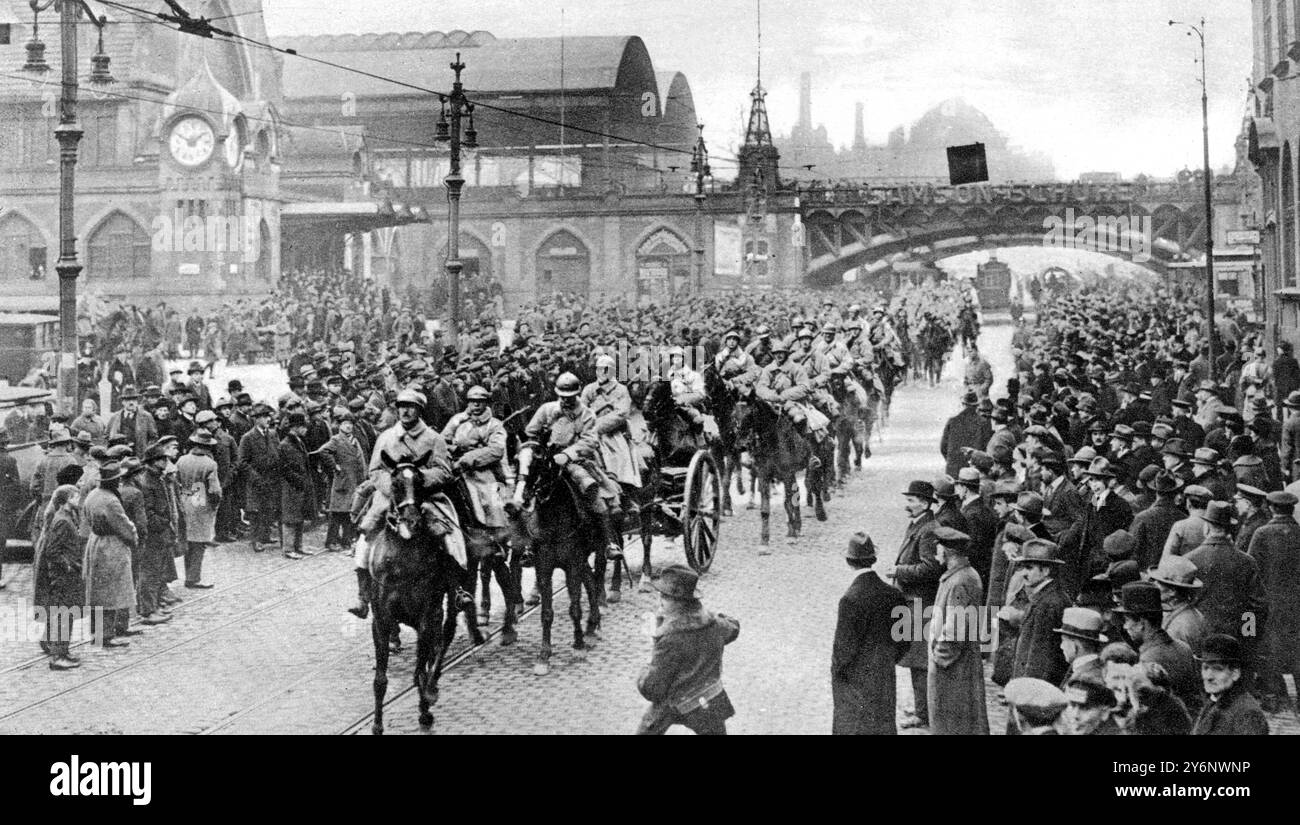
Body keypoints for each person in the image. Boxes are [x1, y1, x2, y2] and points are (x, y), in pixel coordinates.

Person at [514, 373, 624, 561]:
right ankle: (528, 545)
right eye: (562, 396)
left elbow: (589, 441)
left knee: (591, 489)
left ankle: (608, 542)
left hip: (576, 460)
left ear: (577, 394)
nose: (565, 400)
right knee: (527, 490)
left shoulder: (586, 413)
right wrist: (536, 447)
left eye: (570, 396)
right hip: (546, 458)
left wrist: (567, 454)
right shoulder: (547, 409)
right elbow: (530, 432)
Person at [636, 563, 740, 735]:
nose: (660, 600)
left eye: (664, 596)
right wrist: (711, 616)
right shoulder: (714, 624)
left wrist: (644, 671)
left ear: (678, 601)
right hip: (709, 697)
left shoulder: (670, 639)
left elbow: (653, 687)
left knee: (647, 729)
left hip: (675, 702)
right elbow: (733, 628)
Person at [831, 532, 908, 735]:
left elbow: (843, 650)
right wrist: (888, 658)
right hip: (884, 674)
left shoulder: (850, 599)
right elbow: (904, 638)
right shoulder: (894, 594)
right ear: (873, 559)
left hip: (855, 679)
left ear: (849, 561)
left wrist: (838, 673)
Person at [927, 526, 988, 735]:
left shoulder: (959, 581)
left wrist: (939, 658)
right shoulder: (962, 575)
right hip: (960, 662)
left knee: (953, 722)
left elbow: (954, 630)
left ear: (946, 551)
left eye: (938, 548)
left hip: (954, 667)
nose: (936, 553)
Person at [891, 479, 940, 730]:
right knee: (914, 659)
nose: (907, 504)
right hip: (913, 601)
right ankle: (922, 707)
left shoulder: (928, 529)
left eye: (911, 500)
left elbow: (930, 567)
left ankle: (924, 713)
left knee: (920, 662)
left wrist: (899, 570)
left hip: (921, 602)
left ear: (924, 503)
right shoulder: (919, 525)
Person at [1114, 581, 1202, 715]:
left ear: (1141, 623)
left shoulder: (1146, 661)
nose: (1125, 627)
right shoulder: (1184, 648)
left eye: (1127, 620)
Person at [1247, 490, 1300, 711]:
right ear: (1292, 509)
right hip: (1295, 602)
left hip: (1268, 602)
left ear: (1271, 508)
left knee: (1267, 646)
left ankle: (1272, 696)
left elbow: (1251, 567)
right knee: (1296, 646)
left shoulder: (1262, 533)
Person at [82, 462, 137, 649]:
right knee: (112, 590)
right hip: (111, 546)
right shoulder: (110, 501)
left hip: (95, 542)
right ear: (113, 481)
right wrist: (133, 537)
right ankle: (105, 634)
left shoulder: (93, 495)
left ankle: (105, 630)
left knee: (99, 589)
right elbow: (123, 525)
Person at [32, 485, 84, 669]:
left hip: (67, 574)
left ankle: (63, 651)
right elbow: (53, 551)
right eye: (75, 496)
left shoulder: (67, 517)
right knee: (63, 615)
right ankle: (57, 656)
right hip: (63, 576)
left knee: (66, 614)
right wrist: (68, 566)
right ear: (67, 499)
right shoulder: (62, 520)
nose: (78, 499)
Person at [1192, 634, 1270, 735]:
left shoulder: (1247, 714)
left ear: (1235, 674)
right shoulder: (1214, 701)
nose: (1208, 676)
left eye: (1217, 669)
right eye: (1205, 668)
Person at [176, 431, 221, 588]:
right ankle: (193, 578)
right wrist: (214, 505)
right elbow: (214, 490)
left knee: (188, 538)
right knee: (199, 541)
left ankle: (189, 575)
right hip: (200, 499)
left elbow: (175, 481)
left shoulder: (181, 460)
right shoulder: (210, 464)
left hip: (183, 498)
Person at [320, 410, 368, 552]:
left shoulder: (354, 440)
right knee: (336, 513)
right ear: (340, 425)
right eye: (345, 424)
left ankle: (346, 540)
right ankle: (331, 541)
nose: (348, 427)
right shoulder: (336, 439)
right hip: (342, 481)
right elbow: (323, 451)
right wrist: (335, 466)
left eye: (350, 424)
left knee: (349, 512)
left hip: (354, 481)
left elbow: (360, 459)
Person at [238, 404, 280, 553]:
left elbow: (277, 452)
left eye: (269, 416)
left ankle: (265, 536)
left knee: (268, 508)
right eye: (264, 416)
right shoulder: (247, 438)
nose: (268, 419)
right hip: (256, 480)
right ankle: (255, 540)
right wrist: (255, 477)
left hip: (271, 477)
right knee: (255, 511)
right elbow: (242, 462)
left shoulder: (273, 434)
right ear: (256, 419)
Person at [1148, 555, 1207, 655]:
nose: (1154, 585)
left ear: (1172, 591)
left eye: (1158, 582)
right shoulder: (1186, 613)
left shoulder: (1181, 625)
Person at [279, 412, 316, 561]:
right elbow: (285, 468)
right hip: (291, 486)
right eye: (303, 427)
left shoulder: (298, 441)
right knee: (290, 519)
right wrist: (299, 481)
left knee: (299, 517)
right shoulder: (285, 445)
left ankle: (298, 546)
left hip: (300, 485)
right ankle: (288, 549)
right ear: (296, 427)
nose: (306, 430)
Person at [1056, 607, 1108, 687]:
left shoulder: (1084, 680)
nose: (1061, 646)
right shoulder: (1094, 668)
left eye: (1063, 641)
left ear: (1075, 644)